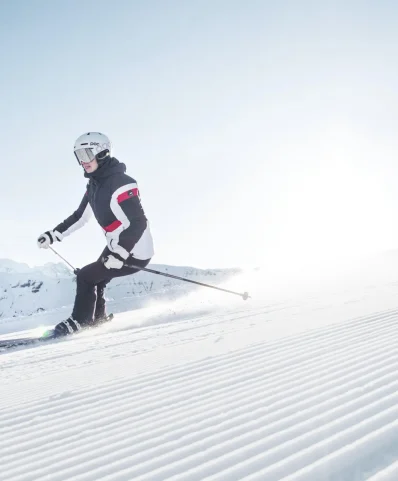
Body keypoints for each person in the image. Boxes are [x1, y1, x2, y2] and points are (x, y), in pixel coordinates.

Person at [37, 132, 154, 337]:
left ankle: (79, 321)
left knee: (85, 277)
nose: (82, 161)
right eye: (78, 156)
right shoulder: (93, 185)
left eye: (86, 153)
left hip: (135, 249)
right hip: (116, 246)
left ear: (102, 152)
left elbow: (138, 222)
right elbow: (80, 217)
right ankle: (97, 319)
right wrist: (53, 235)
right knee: (96, 276)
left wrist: (120, 253)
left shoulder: (122, 183)